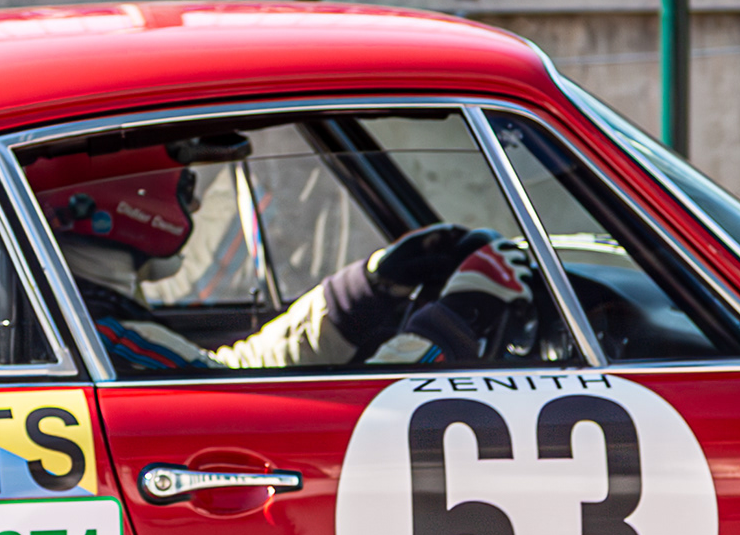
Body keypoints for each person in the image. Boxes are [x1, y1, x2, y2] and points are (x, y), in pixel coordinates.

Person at [28, 139, 531, 373]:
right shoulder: (115, 343)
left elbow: (224, 377)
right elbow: (271, 419)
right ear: (132, 201)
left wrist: (362, 293)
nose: (196, 206)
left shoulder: (90, 328)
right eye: (186, 189)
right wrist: (455, 322)